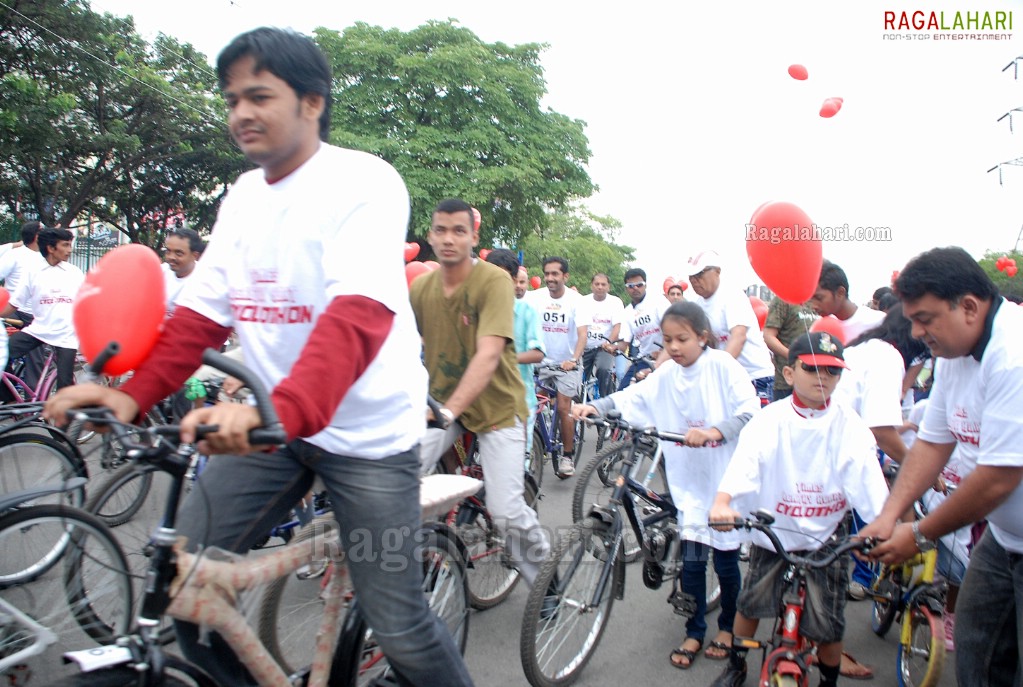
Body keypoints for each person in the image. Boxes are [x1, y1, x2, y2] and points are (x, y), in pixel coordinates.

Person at [43, 27, 474, 687]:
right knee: (188, 589)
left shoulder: (364, 181)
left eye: (258, 95)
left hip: (363, 434)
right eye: (231, 98)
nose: (240, 112)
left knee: (400, 625)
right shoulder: (242, 196)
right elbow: (198, 315)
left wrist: (285, 411)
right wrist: (132, 394)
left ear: (312, 101)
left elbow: (356, 314)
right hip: (275, 426)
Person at [863, 246, 1023, 687]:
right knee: (978, 650)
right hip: (1005, 537)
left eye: (925, 318)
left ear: (969, 307)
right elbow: (933, 444)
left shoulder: (1013, 355)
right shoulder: (954, 354)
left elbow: (998, 478)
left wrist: (917, 534)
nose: (915, 331)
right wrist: (888, 515)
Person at [572, 302, 759, 671]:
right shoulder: (668, 372)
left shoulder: (723, 367)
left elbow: (749, 410)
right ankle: (694, 629)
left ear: (703, 337)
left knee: (724, 561)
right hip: (688, 480)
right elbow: (633, 399)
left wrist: (713, 432)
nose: (673, 347)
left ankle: (726, 628)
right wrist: (595, 406)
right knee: (691, 563)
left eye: (682, 339)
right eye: (668, 339)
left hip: (723, 481)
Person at [707, 331, 889, 687]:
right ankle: (737, 664)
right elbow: (747, 461)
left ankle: (828, 680)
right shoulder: (770, 419)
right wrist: (723, 502)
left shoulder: (850, 425)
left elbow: (867, 476)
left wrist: (883, 525)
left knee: (829, 619)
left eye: (833, 371)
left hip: (827, 534)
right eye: (812, 368)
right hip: (776, 527)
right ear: (789, 374)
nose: (823, 377)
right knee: (751, 602)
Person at [411, 206, 549, 590]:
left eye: (459, 230)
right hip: (442, 405)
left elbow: (489, 354)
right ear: (431, 235)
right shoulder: (421, 288)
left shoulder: (493, 281)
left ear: (474, 237)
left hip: (497, 408)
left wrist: (449, 409)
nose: (449, 238)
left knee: (505, 513)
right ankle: (424, 559)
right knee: (394, 477)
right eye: (441, 230)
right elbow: (400, 347)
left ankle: (547, 579)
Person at [1, 227, 83, 398]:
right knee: (3, 353)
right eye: (65, 245)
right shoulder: (32, 272)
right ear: (51, 248)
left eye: (70, 245)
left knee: (65, 386)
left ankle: (61, 424)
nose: (70, 250)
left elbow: (88, 301)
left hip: (66, 336)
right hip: (38, 330)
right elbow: (14, 304)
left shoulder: (75, 273)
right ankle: (9, 399)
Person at [524, 255, 587, 477]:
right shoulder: (536, 297)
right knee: (532, 405)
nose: (550, 278)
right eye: (547, 274)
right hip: (540, 363)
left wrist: (574, 359)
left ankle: (567, 456)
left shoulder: (576, 300)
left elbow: (582, 335)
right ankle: (537, 445)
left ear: (565, 276)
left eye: (555, 274)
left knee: (562, 407)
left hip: (566, 365)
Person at [685, 250, 775, 404]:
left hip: (754, 377)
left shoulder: (732, 296)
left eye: (700, 274)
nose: (694, 280)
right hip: (728, 381)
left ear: (717, 271)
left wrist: (715, 372)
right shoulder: (697, 305)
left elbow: (739, 336)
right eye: (691, 276)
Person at [487, 250, 546, 458]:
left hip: (517, 400)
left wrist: (503, 359)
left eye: (502, 277)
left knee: (517, 465)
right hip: (483, 400)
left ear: (513, 280)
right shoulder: (477, 310)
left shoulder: (526, 312)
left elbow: (538, 353)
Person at [809, 260, 885, 343]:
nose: (814, 306)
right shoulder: (820, 329)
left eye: (819, 298)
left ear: (840, 293)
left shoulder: (878, 322)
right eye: (811, 299)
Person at [617, 267, 668, 387]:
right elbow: (624, 344)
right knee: (623, 392)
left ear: (645, 285)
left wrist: (663, 351)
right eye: (630, 286)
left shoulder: (658, 303)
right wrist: (612, 348)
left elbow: (671, 331)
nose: (635, 288)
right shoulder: (627, 313)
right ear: (626, 288)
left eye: (639, 285)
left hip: (667, 357)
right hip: (644, 359)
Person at [761, 296, 815, 401]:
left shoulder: (818, 298)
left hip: (815, 381)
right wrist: (794, 356)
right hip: (786, 383)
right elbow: (769, 336)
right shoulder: (783, 299)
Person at [579, 272, 623, 398]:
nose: (600, 287)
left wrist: (608, 341)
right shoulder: (583, 301)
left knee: (604, 371)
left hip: (604, 347)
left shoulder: (615, 302)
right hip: (585, 346)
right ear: (591, 286)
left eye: (603, 284)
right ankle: (581, 403)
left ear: (608, 287)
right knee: (578, 376)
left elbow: (617, 327)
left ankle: (606, 404)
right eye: (597, 284)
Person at [0, 220, 46, 325]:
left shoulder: (48, 257)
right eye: (43, 232)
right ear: (36, 236)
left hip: (39, 314)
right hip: (15, 312)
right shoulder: (14, 255)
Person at [162, 227, 206, 316]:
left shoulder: (205, 281)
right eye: (168, 251)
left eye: (178, 253)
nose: (171, 257)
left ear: (195, 256)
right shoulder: (159, 272)